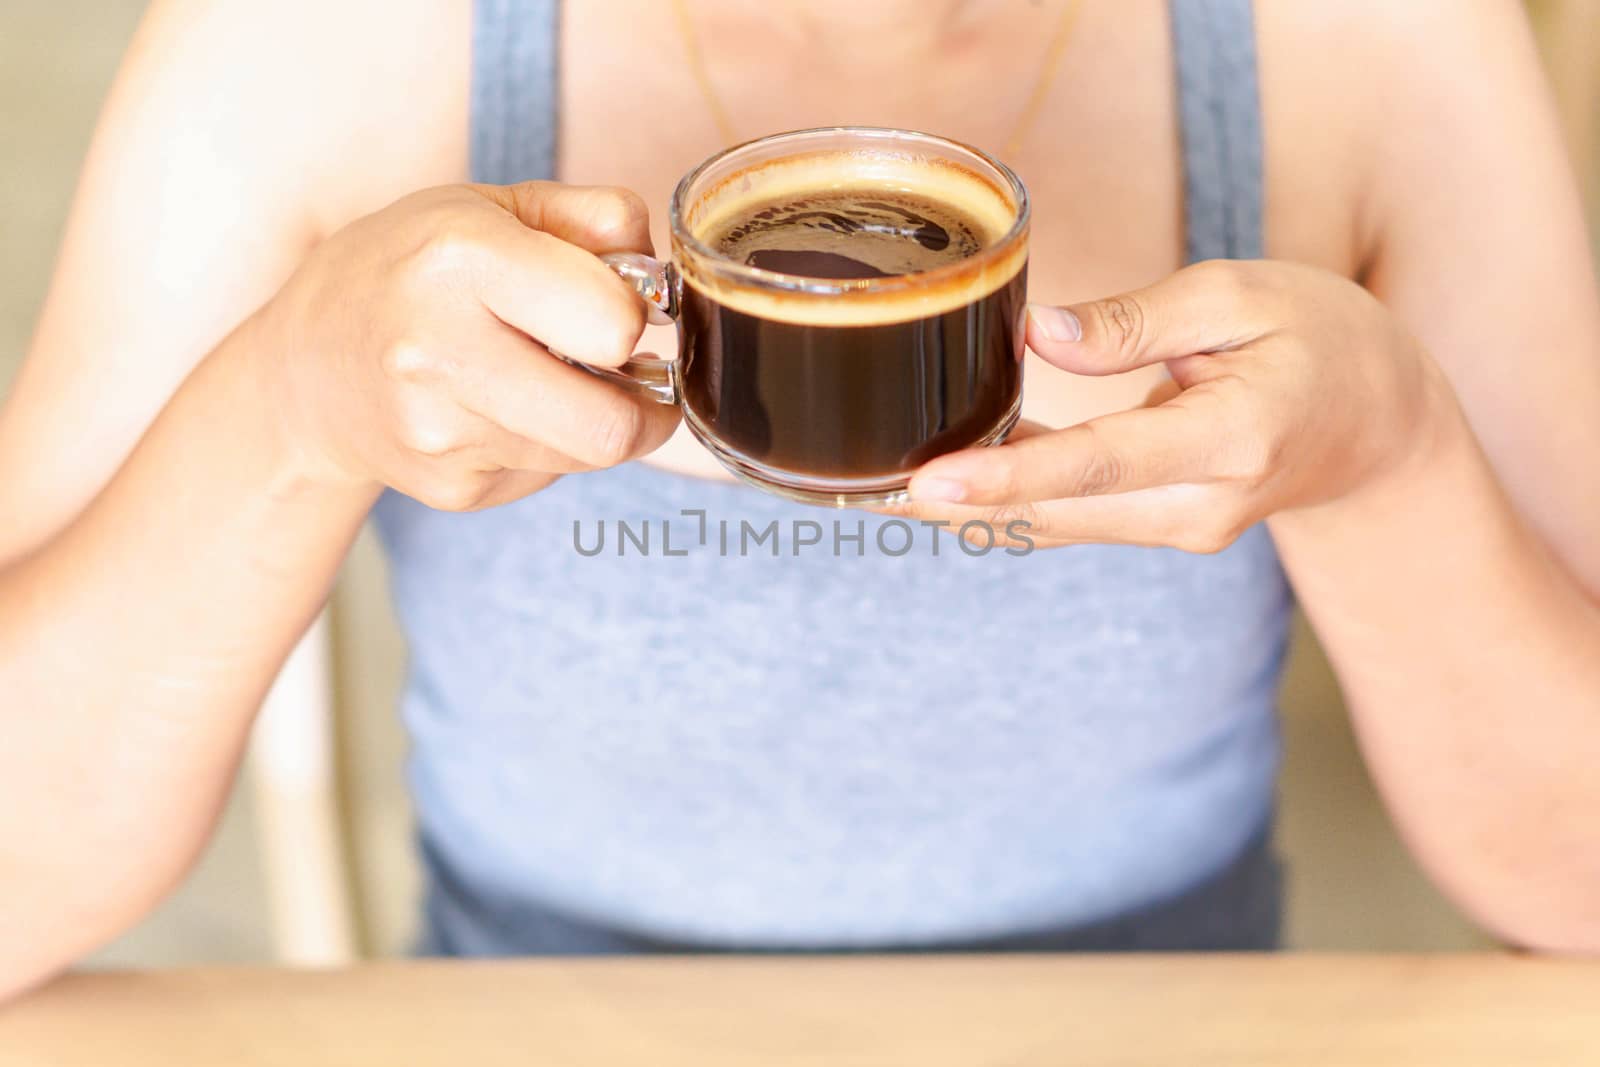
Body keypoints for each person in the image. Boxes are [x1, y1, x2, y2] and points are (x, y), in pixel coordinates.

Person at [2, 0, 1598, 994]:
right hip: (535, 1024)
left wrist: (1391, 460)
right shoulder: (320, 40)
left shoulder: (1370, 41)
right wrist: (288, 401)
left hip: (1172, 1014)